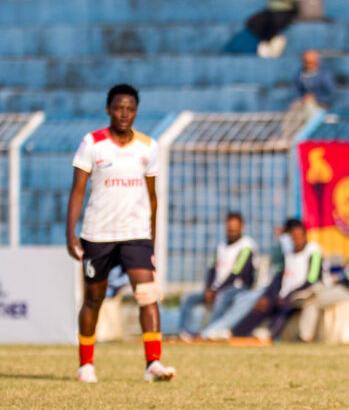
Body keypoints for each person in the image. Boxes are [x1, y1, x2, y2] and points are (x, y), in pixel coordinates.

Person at [67, 84, 175, 383]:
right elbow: (78, 191)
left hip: (135, 234)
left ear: (136, 111)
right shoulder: (92, 143)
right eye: (118, 108)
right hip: (98, 233)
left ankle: (153, 363)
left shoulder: (148, 147)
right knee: (93, 299)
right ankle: (85, 365)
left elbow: (152, 197)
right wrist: (70, 233)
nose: (124, 113)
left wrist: (150, 238)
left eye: (129, 108)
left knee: (147, 294)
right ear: (108, 109)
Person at [231, 220, 322, 341]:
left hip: (306, 291)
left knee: (286, 303)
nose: (297, 239)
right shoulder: (288, 253)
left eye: (300, 236)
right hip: (286, 293)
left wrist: (288, 294)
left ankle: (271, 334)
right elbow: (280, 277)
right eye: (294, 237)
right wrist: (268, 295)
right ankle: (237, 333)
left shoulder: (313, 251)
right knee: (264, 303)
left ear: (305, 236)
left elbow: (312, 279)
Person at [178, 212, 257, 340]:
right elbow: (212, 269)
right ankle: (184, 332)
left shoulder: (247, 245)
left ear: (241, 228)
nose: (231, 232)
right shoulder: (221, 245)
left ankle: (208, 332)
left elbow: (236, 273)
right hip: (216, 288)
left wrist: (216, 290)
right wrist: (209, 288)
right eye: (229, 229)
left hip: (237, 288)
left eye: (234, 229)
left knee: (221, 297)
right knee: (187, 298)